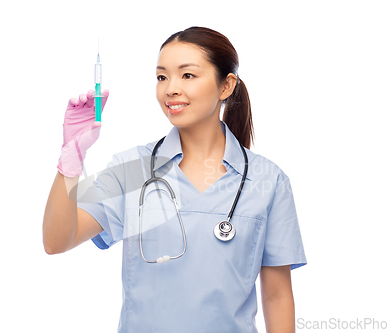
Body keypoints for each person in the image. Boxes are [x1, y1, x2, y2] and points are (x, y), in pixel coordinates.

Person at [43, 26, 307, 333]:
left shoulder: (267, 180)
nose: (170, 88)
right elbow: (57, 241)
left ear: (226, 85)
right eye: (161, 76)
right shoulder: (134, 169)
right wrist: (70, 158)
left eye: (188, 75)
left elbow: (276, 297)